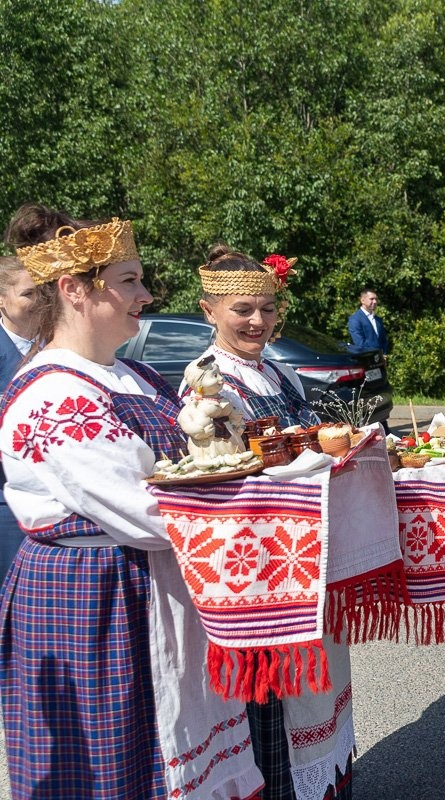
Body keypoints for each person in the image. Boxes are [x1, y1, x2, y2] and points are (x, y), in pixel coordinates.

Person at [0, 205, 262, 798]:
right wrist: (270, 514)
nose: (145, 293)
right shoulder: (53, 393)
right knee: (112, 759)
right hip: (92, 598)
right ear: (73, 289)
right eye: (129, 281)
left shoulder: (136, 374)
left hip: (147, 580)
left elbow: (203, 457)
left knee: (160, 748)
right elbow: (145, 507)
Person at [185, 245, 352, 799]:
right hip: (259, 570)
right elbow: (221, 481)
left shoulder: (278, 371)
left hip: (303, 553)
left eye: (267, 309)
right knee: (274, 711)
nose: (257, 321)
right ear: (209, 310)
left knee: (318, 693)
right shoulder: (207, 387)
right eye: (242, 311)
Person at [0, 256, 37, 576]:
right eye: (28, 293)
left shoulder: (59, 349)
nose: (39, 302)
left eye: (44, 293)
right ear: (2, 299)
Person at [348, 288, 390, 355]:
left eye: (376, 299)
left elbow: (383, 340)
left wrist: (384, 354)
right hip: (366, 360)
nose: (375, 301)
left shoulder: (378, 319)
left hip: (380, 361)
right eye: (372, 299)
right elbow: (360, 343)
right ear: (362, 300)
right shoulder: (355, 319)